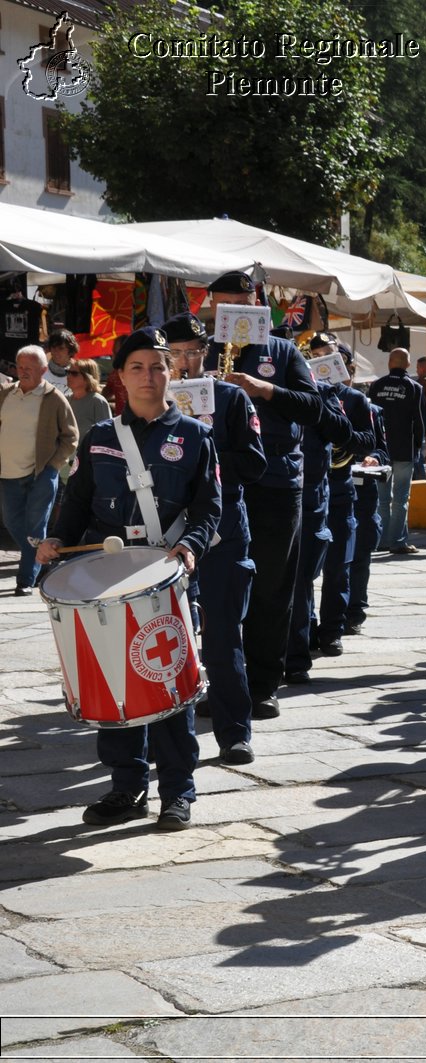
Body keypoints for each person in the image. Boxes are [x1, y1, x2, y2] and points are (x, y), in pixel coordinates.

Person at [37, 326, 221, 829]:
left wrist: (189, 549)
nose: (148, 376)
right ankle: (126, 786)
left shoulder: (195, 437)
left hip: (167, 577)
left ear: (172, 372)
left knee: (168, 680)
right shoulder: (99, 439)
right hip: (106, 582)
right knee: (113, 677)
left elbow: (210, 507)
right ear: (120, 376)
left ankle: (178, 791)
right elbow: (75, 505)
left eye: (157, 366)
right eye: (137, 367)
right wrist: (56, 544)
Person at [207, 270, 337, 721]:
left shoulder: (282, 350)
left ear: (254, 301)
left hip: (278, 481)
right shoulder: (201, 352)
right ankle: (224, 682)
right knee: (220, 591)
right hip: (218, 484)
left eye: (236, 306)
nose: (228, 315)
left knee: (271, 588)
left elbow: (315, 407)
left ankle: (263, 685)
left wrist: (266, 389)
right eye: (220, 308)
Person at [165, 313, 267, 764]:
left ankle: (234, 732)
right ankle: (165, 739)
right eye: (176, 354)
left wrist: (205, 441)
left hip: (223, 534)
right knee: (167, 641)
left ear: (205, 353)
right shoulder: (152, 405)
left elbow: (255, 464)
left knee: (224, 637)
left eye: (192, 352)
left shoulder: (230, 398)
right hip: (169, 538)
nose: (185, 362)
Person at [283, 333, 362, 685]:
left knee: (324, 572)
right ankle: (291, 649)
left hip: (324, 494)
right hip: (278, 495)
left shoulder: (342, 397)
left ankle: (321, 637)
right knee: (289, 583)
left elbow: (353, 435)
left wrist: (325, 395)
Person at [0, 346, 78, 593]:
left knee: (35, 527)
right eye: (20, 367)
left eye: (30, 368)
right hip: (8, 473)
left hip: (41, 474)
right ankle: (42, 559)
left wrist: (53, 466)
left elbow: (71, 437)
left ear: (43, 370)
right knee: (12, 522)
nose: (23, 372)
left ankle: (25, 581)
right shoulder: (5, 394)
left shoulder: (54, 398)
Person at [319, 343, 378, 652]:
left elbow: (369, 442)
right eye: (317, 357)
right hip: (312, 488)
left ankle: (331, 630)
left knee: (339, 565)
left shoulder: (355, 400)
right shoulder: (305, 395)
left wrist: (340, 431)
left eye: (333, 359)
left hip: (341, 488)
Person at [371, 348, 426, 555]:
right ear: (408, 364)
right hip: (405, 448)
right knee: (401, 498)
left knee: (382, 498)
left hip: (381, 450)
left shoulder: (376, 386)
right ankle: (398, 541)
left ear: (389, 363)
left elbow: (370, 419)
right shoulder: (414, 387)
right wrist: (417, 445)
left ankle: (382, 539)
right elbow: (421, 420)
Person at [346, 396, 388, 637]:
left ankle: (355, 612)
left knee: (360, 555)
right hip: (330, 488)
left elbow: (382, 448)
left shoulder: (369, 409)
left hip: (362, 488)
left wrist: (376, 458)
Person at [64, 358, 113, 433]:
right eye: (67, 372)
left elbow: (106, 433)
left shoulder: (98, 401)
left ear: (88, 378)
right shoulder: (65, 399)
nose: (68, 376)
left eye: (74, 374)